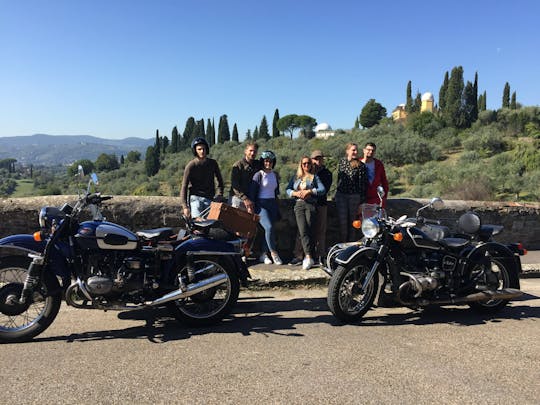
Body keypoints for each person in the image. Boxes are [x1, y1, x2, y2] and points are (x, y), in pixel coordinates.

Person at [286, 156, 326, 270]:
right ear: (301, 165)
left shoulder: (314, 177)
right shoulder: (296, 177)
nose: (306, 165)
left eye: (308, 163)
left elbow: (322, 190)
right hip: (299, 205)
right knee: (302, 230)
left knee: (310, 229)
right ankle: (308, 256)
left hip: (310, 205)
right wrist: (295, 193)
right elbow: (287, 189)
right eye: (304, 164)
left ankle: (309, 256)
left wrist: (310, 191)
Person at [249, 150, 283, 265]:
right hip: (261, 205)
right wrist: (252, 208)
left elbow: (276, 192)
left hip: (272, 204)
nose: (268, 163)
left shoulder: (275, 175)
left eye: (270, 161)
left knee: (270, 230)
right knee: (268, 227)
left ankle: (264, 254)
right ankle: (274, 253)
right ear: (262, 162)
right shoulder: (258, 175)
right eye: (266, 161)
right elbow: (252, 193)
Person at [180, 137, 224, 220]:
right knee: (198, 221)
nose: (202, 151)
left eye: (203, 149)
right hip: (195, 197)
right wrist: (185, 207)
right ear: (195, 151)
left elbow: (220, 181)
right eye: (199, 149)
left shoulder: (212, 163)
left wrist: (219, 194)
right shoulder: (191, 166)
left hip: (209, 197)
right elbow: (184, 187)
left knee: (208, 223)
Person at [335, 142, 367, 242]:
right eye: (353, 150)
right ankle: (343, 246)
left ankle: (351, 246)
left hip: (354, 197)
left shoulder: (361, 165)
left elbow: (363, 184)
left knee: (353, 223)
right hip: (341, 196)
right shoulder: (342, 162)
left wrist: (362, 202)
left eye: (356, 150)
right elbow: (339, 179)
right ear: (347, 151)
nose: (355, 152)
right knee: (342, 223)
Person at [310, 150, 333, 263]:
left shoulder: (327, 173)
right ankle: (303, 254)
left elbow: (324, 191)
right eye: (315, 159)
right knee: (305, 230)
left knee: (321, 230)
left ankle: (320, 254)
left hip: (321, 204)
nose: (317, 161)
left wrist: (309, 192)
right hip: (308, 205)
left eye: (319, 158)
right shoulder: (307, 171)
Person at [229, 142, 261, 213]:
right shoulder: (238, 165)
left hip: (251, 199)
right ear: (245, 151)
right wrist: (245, 199)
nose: (252, 153)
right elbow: (235, 185)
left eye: (255, 151)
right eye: (250, 151)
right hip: (237, 198)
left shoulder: (257, 164)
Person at [361, 142, 389, 207]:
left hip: (375, 199)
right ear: (364, 150)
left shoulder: (378, 164)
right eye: (368, 150)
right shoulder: (358, 164)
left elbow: (384, 181)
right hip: (362, 199)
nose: (370, 152)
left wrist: (384, 198)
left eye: (373, 150)